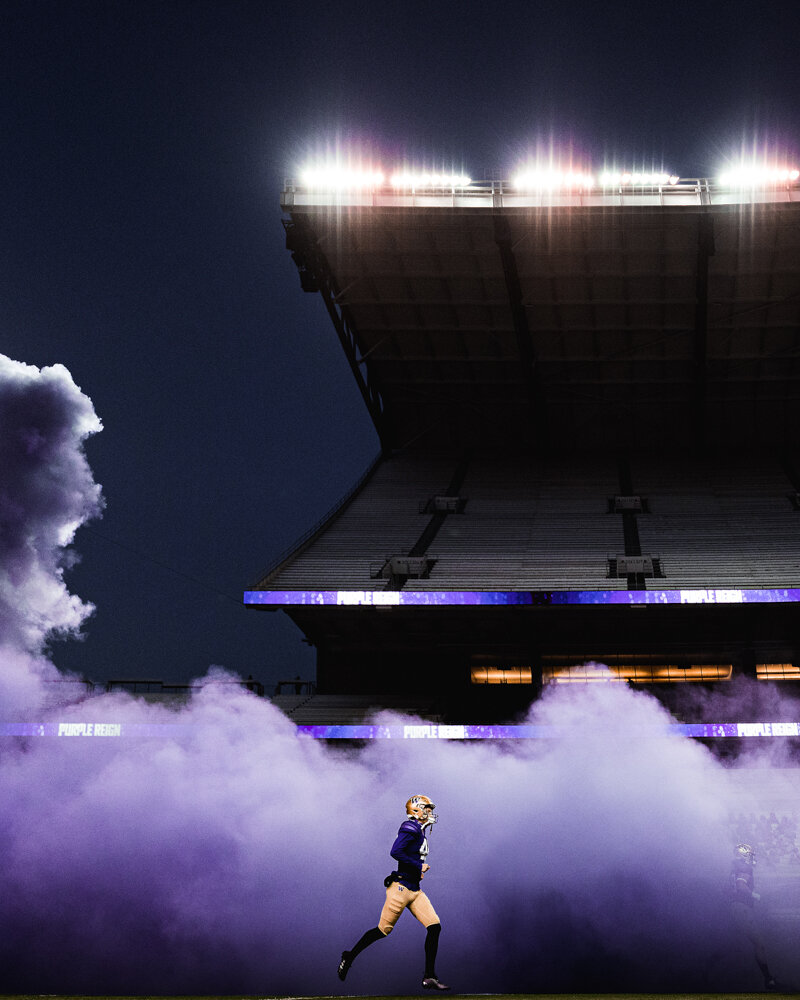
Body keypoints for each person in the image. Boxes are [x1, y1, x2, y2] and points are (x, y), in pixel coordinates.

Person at [337, 795, 449, 990]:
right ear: (416, 810)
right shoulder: (410, 827)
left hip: (414, 890)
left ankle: (429, 976)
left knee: (434, 927)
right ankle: (349, 956)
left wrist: (416, 871)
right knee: (382, 930)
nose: (430, 812)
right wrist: (418, 866)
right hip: (400, 889)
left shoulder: (420, 831)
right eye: (426, 809)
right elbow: (395, 851)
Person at [730, 843, 778, 990]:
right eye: (750, 855)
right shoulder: (744, 867)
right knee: (759, 944)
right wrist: (755, 895)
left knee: (733, 944)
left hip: (735, 908)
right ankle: (768, 979)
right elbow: (740, 885)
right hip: (742, 909)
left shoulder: (733, 868)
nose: (752, 858)